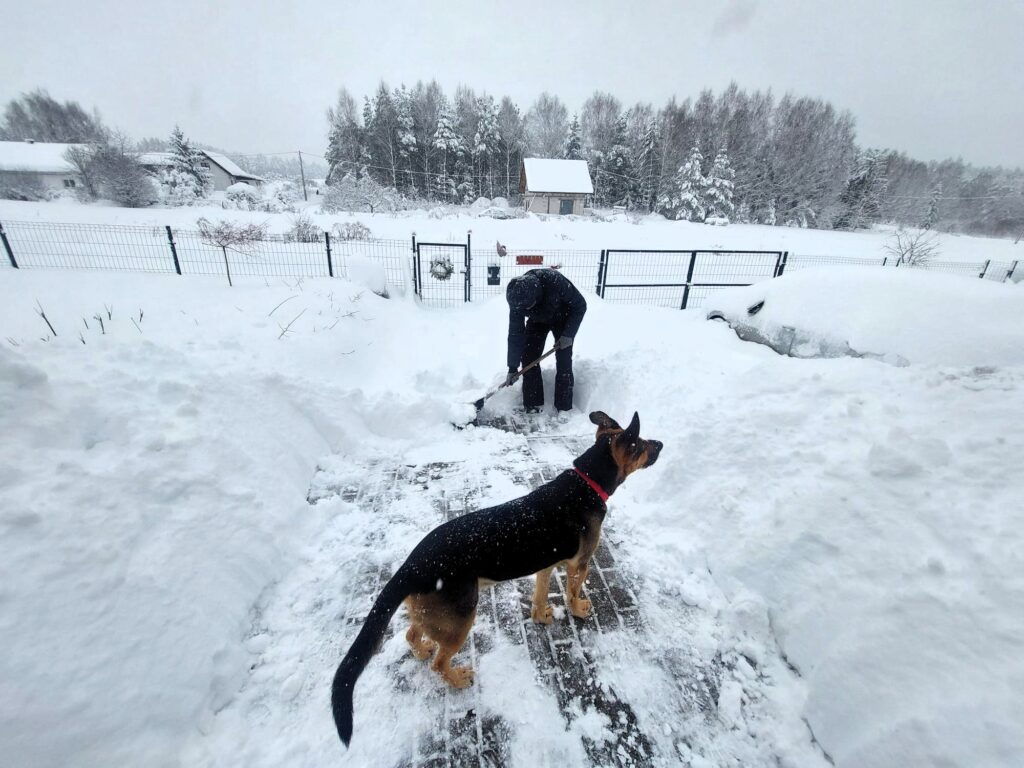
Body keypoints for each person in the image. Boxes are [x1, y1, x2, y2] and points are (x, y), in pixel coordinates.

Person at [505, 269, 587, 412]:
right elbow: (515, 333)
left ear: (535, 296)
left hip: (563, 317)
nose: (524, 309)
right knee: (529, 358)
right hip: (537, 320)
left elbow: (580, 305)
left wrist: (568, 335)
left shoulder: (555, 282)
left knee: (564, 360)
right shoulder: (517, 299)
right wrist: (512, 367)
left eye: (527, 306)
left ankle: (564, 407)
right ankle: (533, 404)